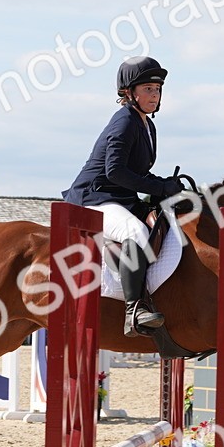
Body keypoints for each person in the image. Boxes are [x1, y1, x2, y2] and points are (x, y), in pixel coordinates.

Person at [63, 56, 181, 337]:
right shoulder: (124, 121)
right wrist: (158, 188)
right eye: (148, 89)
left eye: (157, 89)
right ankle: (134, 310)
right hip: (95, 198)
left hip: (120, 198)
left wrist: (166, 185)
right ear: (129, 93)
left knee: (168, 219)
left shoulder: (147, 125)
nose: (154, 95)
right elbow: (114, 172)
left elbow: (134, 172)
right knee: (135, 230)